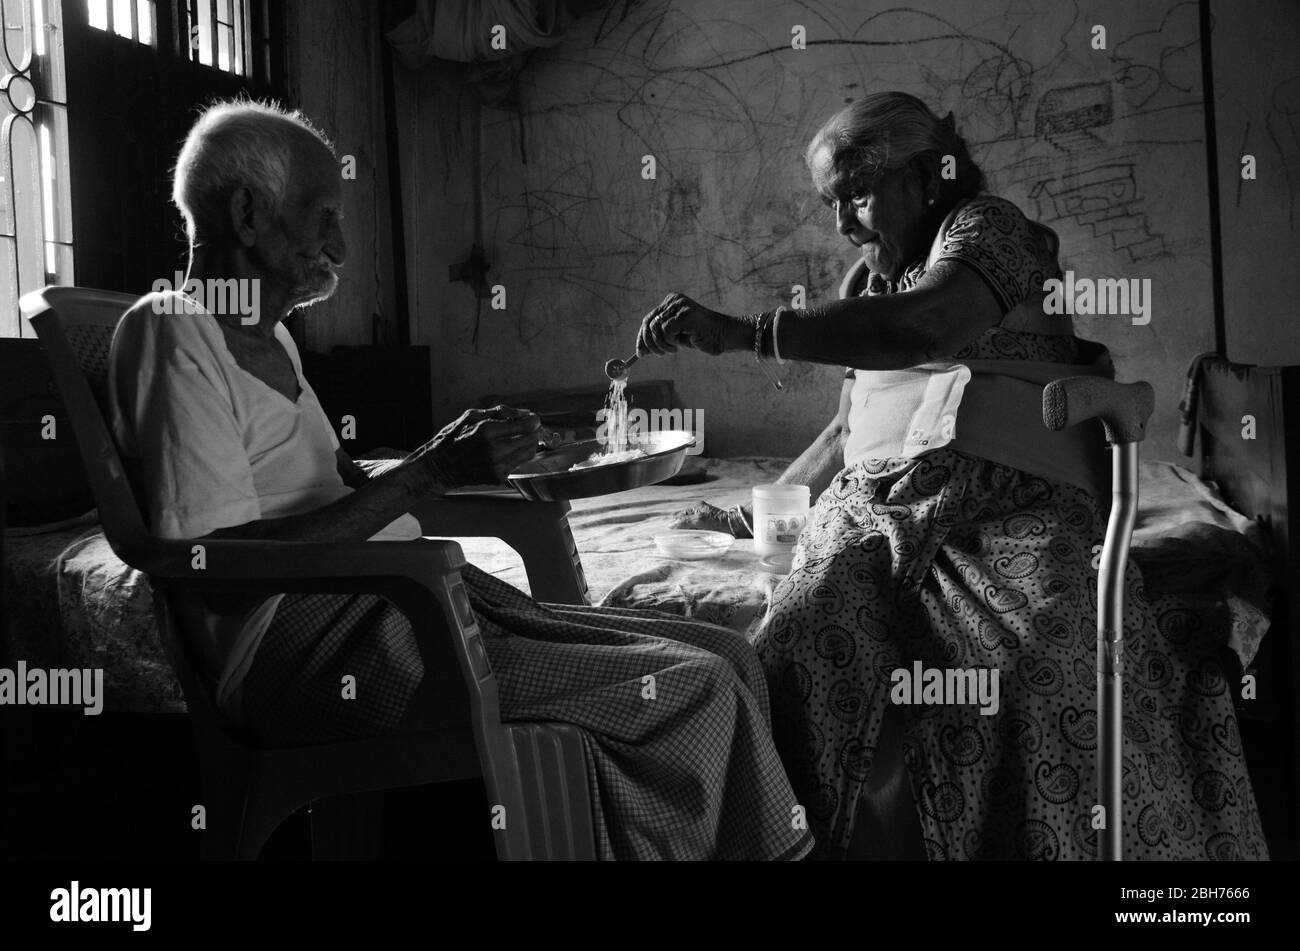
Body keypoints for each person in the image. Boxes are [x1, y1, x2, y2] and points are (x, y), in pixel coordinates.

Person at [108, 99, 812, 862]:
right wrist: (431, 470)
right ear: (247, 212)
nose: (341, 245)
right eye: (322, 217)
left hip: (407, 604)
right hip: (317, 646)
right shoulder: (174, 328)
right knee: (696, 691)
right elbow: (216, 566)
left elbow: (335, 485)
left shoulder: (270, 335)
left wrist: (461, 457)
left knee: (732, 656)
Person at [634, 92, 1267, 860]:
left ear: (930, 175)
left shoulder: (987, 229)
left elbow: (930, 325)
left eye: (857, 197)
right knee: (799, 642)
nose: (843, 225)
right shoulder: (866, 283)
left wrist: (746, 333)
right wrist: (753, 513)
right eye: (833, 204)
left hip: (1013, 497)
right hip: (881, 509)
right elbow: (848, 425)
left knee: (1042, 659)